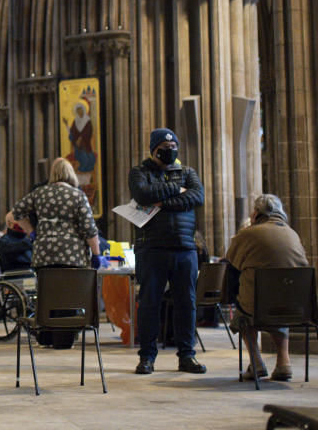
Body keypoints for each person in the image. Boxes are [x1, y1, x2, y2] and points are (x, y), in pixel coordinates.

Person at [129, 128, 206, 375]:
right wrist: (176, 189)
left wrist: (162, 200)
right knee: (150, 303)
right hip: (152, 248)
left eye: (174, 147)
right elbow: (142, 194)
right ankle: (147, 357)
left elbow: (197, 197)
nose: (170, 150)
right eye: (165, 146)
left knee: (187, 304)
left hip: (185, 248)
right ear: (154, 148)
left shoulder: (188, 173)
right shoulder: (139, 172)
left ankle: (187, 356)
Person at [13, 158, 100, 348]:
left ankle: (45, 335)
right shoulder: (77, 195)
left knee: (46, 293)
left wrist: (32, 231)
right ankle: (63, 338)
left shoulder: (39, 193)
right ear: (71, 174)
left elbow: (16, 213)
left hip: (44, 252)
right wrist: (96, 254)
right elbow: (89, 229)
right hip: (71, 254)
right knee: (68, 296)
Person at [223, 194, 309, 381]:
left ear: (258, 213)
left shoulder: (249, 233)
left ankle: (256, 363)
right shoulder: (292, 233)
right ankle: (283, 362)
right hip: (295, 306)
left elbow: (232, 260)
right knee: (279, 302)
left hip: (258, 306)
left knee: (242, 314)